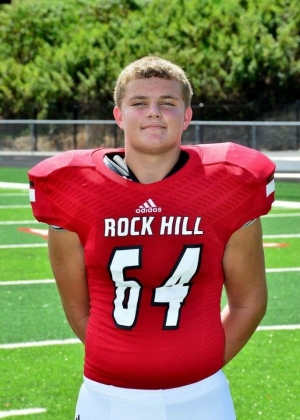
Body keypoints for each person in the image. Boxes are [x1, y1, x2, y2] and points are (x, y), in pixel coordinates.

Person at [28, 56, 275, 420]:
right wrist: (124, 362)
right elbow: (78, 309)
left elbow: (249, 302)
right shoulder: (73, 187)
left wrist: (195, 362)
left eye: (168, 103)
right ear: (119, 115)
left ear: (187, 116)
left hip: (202, 396)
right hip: (107, 398)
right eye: (139, 102)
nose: (154, 112)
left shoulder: (228, 184)